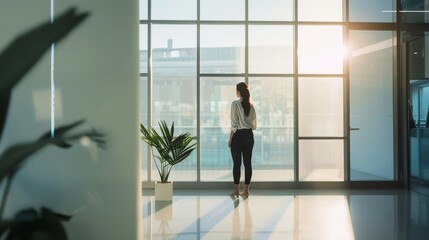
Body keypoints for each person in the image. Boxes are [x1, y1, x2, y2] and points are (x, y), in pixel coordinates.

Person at [228, 82, 257, 196]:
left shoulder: (235, 104)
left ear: (239, 92)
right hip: (249, 136)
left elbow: (234, 124)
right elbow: (254, 125)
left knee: (237, 163)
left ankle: (236, 190)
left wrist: (230, 139)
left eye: (236, 90)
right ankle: (246, 190)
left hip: (238, 136)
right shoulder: (251, 106)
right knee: (247, 163)